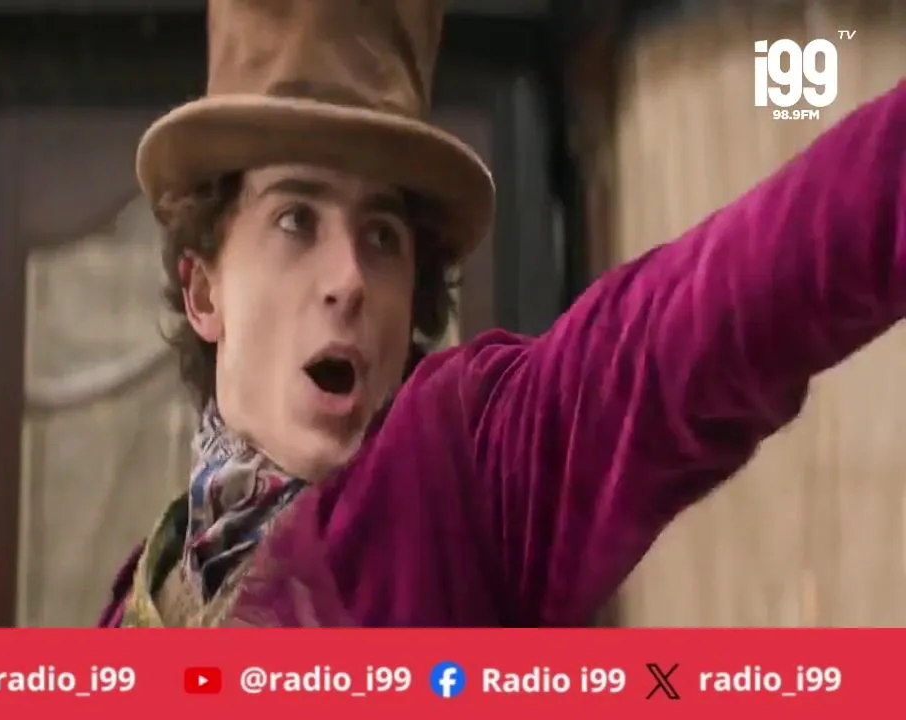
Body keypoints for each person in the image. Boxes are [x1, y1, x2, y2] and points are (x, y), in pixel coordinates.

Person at [98, 0, 906, 627]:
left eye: (382, 237)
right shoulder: (144, 589)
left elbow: (705, 315)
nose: (348, 278)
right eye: (294, 220)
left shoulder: (459, 472)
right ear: (204, 292)